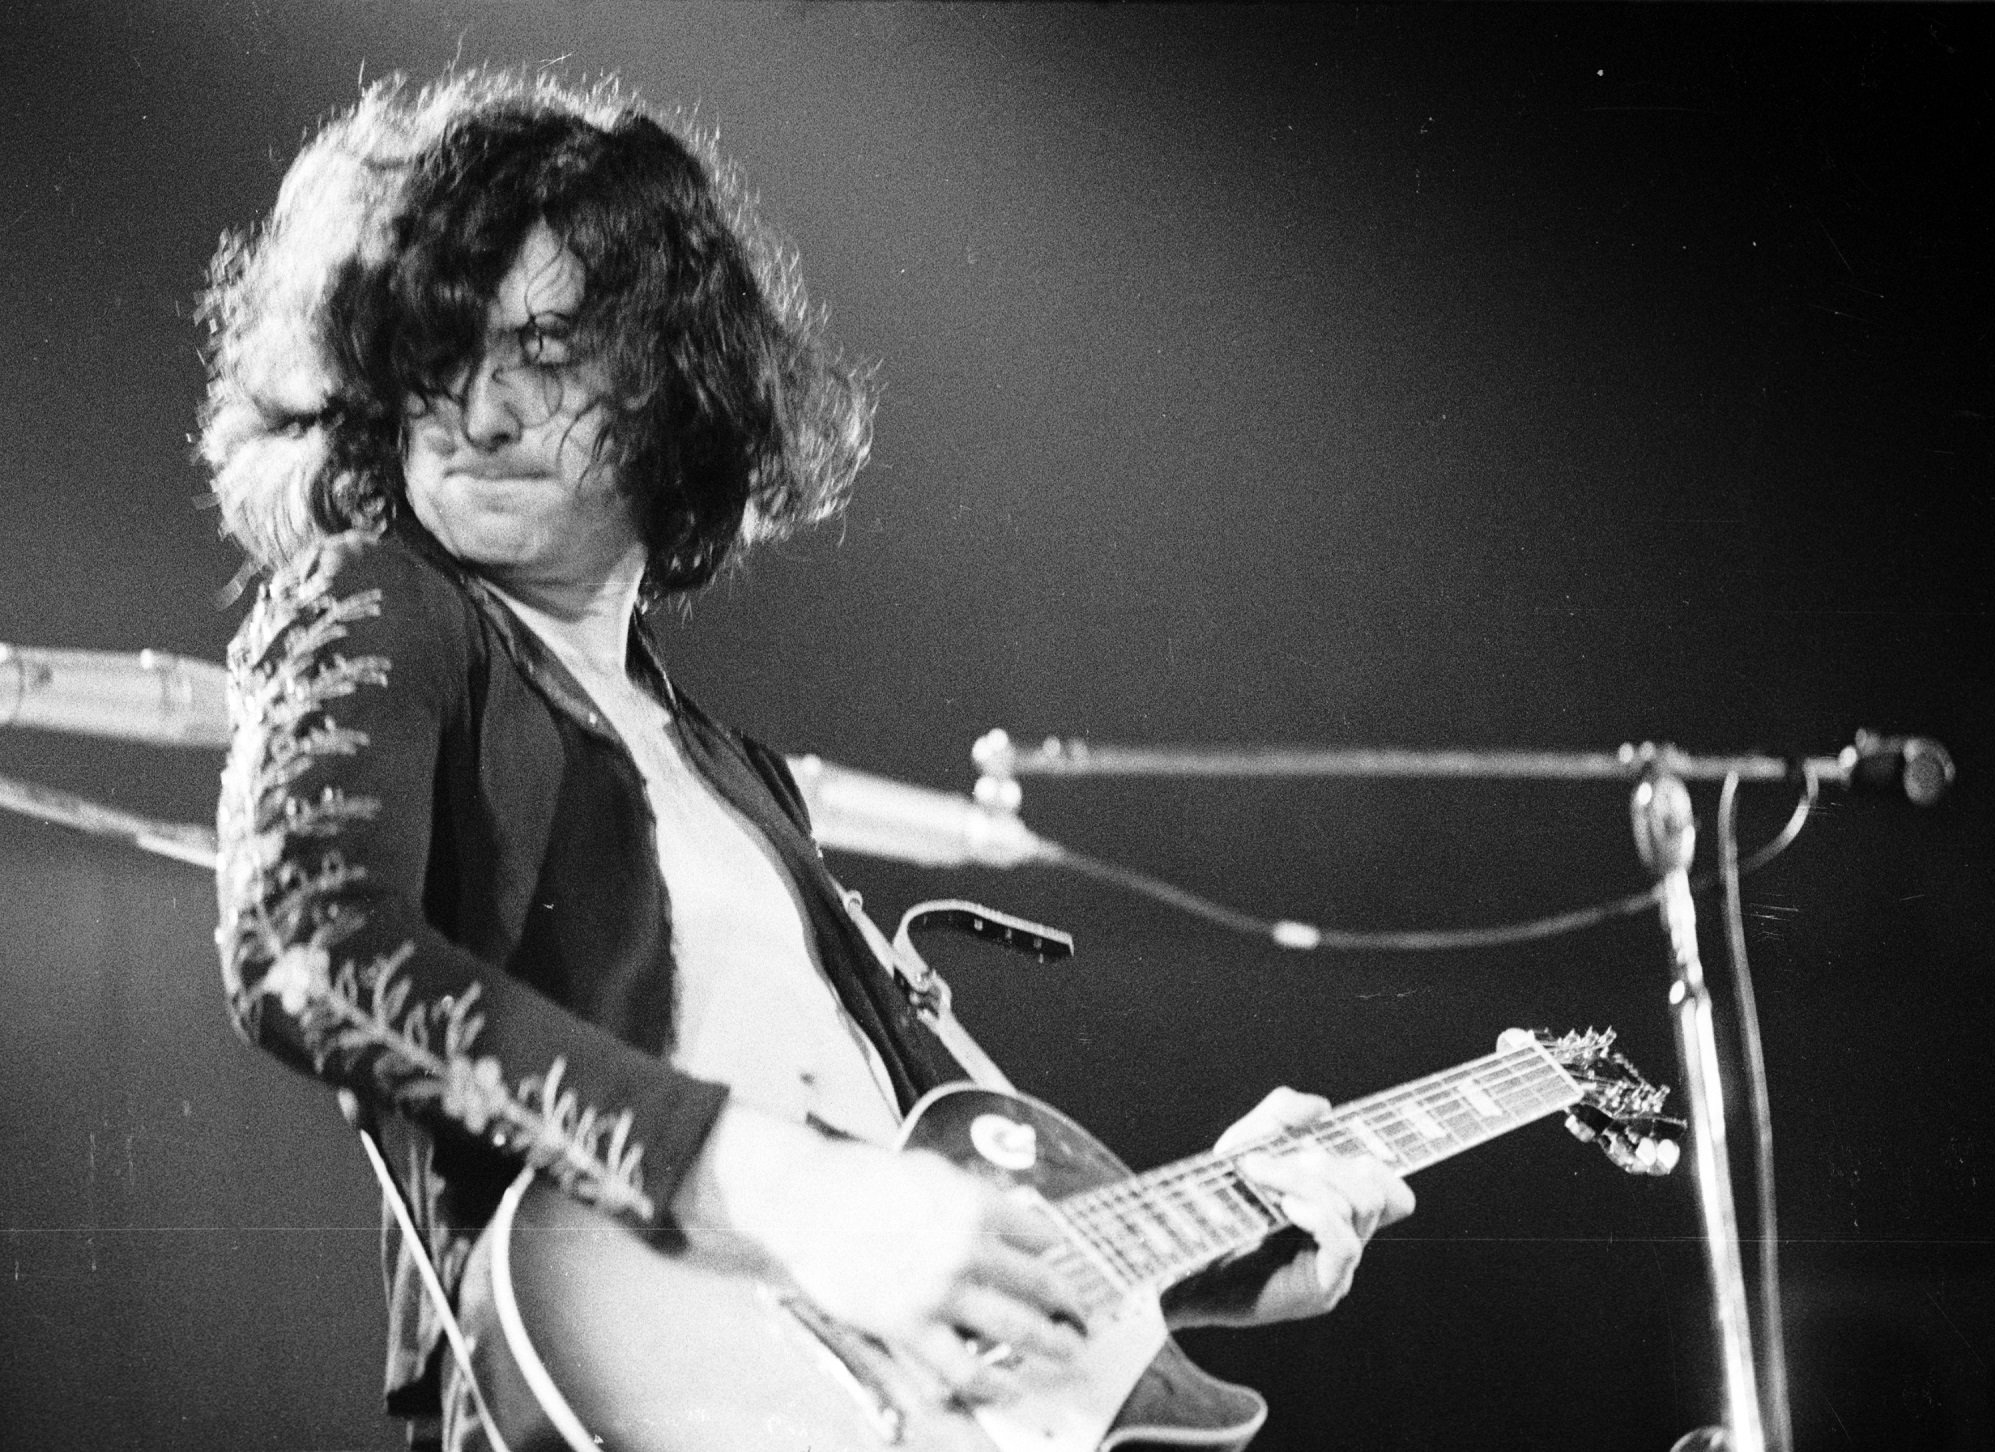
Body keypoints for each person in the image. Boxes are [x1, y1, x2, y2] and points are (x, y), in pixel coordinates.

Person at [199, 68, 1413, 1450]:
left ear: (671, 379)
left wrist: (1214, 1246)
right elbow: (307, 947)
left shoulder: (735, 780)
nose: (477, 411)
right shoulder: (383, 600)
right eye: (439, 351)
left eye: (544, 353)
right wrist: (784, 1192)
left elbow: (910, 1214)